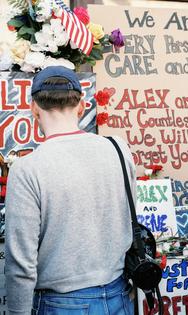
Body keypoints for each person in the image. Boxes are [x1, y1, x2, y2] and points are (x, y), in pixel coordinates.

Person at [5, 66, 134, 314]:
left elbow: (21, 264)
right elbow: (127, 218)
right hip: (119, 295)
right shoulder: (118, 149)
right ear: (81, 106)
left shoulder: (27, 168)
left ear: (34, 108)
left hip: (61, 303)